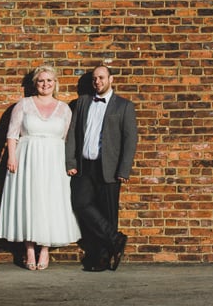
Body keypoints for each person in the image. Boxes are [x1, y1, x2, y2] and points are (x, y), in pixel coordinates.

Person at [0, 64, 82, 270]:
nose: (45, 84)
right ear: (35, 84)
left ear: (55, 83)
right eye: (41, 80)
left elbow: (69, 139)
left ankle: (44, 249)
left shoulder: (64, 109)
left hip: (53, 160)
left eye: (49, 80)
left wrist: (70, 164)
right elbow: (12, 134)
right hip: (27, 159)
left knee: (49, 201)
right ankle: (29, 249)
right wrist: (11, 157)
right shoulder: (23, 105)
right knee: (29, 200)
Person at [65, 64, 138, 271]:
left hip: (110, 168)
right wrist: (71, 162)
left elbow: (130, 139)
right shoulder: (82, 102)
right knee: (80, 204)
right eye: (95, 79)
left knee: (108, 214)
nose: (97, 82)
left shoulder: (124, 106)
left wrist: (124, 170)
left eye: (102, 78)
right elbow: (72, 135)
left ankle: (102, 259)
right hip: (85, 167)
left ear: (111, 79)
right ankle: (115, 239)